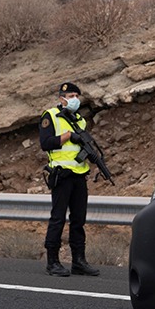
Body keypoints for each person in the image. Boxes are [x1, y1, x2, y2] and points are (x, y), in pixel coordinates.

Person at [38, 82, 100, 277]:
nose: (74, 99)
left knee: (78, 219)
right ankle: (52, 262)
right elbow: (45, 144)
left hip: (79, 174)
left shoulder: (80, 120)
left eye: (76, 95)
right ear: (61, 98)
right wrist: (67, 136)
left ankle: (79, 261)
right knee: (58, 218)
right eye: (70, 95)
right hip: (61, 174)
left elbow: (79, 147)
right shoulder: (50, 116)